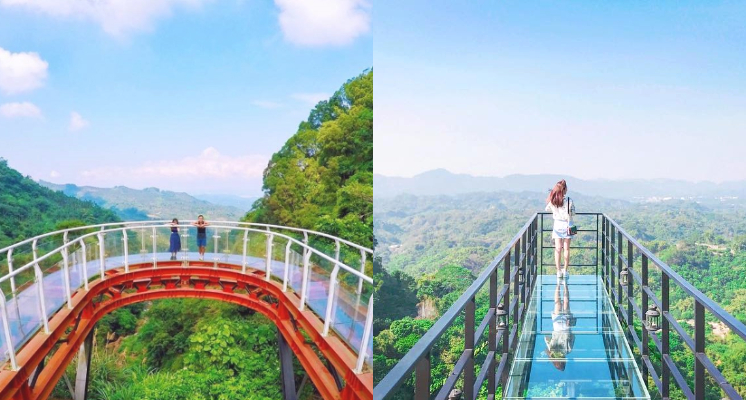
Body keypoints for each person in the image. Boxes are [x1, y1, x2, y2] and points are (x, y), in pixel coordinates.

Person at [545, 179, 575, 279]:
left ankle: (558, 271)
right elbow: (573, 213)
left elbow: (547, 209)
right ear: (565, 189)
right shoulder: (569, 200)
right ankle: (565, 271)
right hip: (567, 226)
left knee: (557, 249)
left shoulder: (553, 200)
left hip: (557, 225)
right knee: (566, 249)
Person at [544, 279, 575, 371]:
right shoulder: (551, 351)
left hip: (566, 327)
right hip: (557, 327)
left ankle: (564, 284)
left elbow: (572, 337)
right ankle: (558, 284)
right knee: (558, 303)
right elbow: (546, 338)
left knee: (565, 303)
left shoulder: (568, 351)